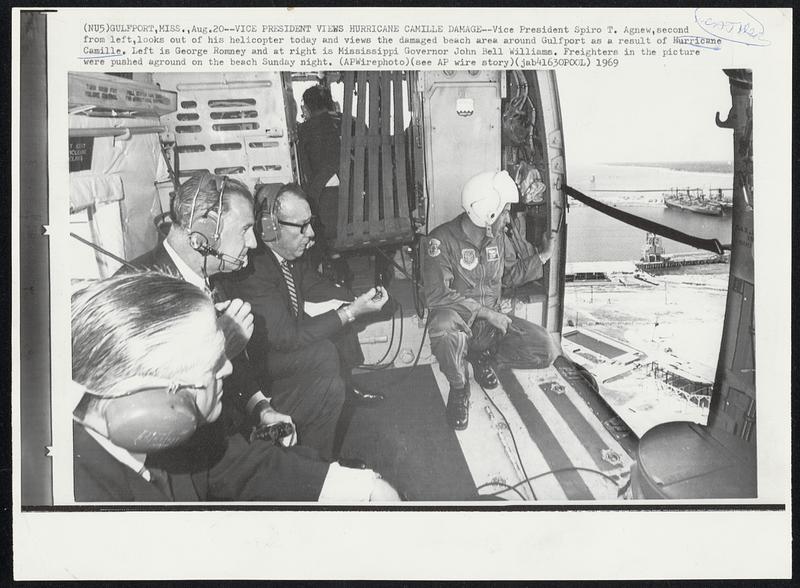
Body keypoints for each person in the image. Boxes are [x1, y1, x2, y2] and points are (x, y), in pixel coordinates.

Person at [72, 272, 401, 502]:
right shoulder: (78, 498)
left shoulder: (175, 433)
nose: (228, 367)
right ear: (152, 392)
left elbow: (246, 466)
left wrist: (365, 488)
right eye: (213, 363)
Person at [221, 182, 389, 460]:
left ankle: (319, 442)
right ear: (270, 228)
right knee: (326, 347)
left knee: (328, 346)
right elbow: (287, 338)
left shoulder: (287, 254)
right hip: (260, 363)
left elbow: (312, 284)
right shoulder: (253, 271)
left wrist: (358, 297)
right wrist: (350, 313)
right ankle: (315, 458)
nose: (310, 234)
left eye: (310, 223)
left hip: (280, 343)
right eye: (301, 226)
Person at [422, 170, 562, 431]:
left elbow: (508, 275)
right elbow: (438, 296)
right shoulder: (439, 241)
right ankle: (459, 387)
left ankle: (481, 358)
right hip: (461, 323)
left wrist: (542, 256)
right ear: (488, 213)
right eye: (506, 211)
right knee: (442, 328)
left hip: (491, 326)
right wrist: (488, 314)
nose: (508, 217)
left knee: (546, 349)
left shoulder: (497, 238)